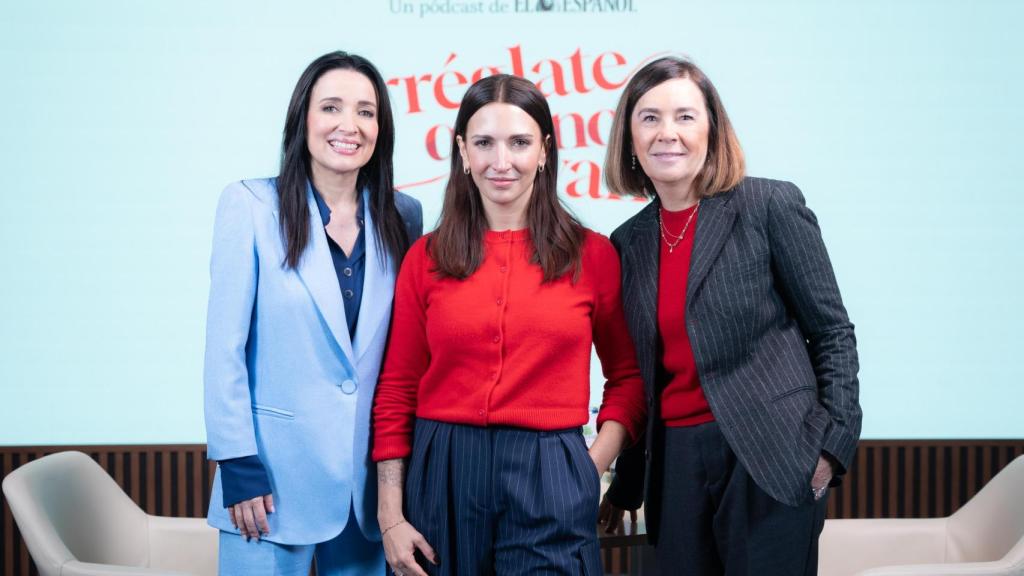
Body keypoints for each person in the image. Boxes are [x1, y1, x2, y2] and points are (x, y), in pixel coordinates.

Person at [371, 73, 646, 576]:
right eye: (484, 143)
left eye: (519, 142)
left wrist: (587, 467)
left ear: (544, 150)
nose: (502, 162)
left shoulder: (594, 256)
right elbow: (396, 388)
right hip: (443, 472)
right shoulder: (424, 258)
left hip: (551, 471)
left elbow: (628, 379)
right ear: (462, 151)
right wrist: (390, 513)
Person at [598, 56, 862, 575]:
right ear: (629, 139)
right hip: (676, 465)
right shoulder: (627, 243)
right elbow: (646, 376)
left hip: (772, 456)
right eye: (648, 118)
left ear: (712, 131)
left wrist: (831, 449)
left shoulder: (769, 205)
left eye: (685, 116)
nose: (666, 133)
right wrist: (627, 487)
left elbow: (832, 332)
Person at [203, 51, 422, 576]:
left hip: (365, 490)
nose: (350, 125)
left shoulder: (404, 216)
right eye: (332, 107)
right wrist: (236, 461)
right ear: (303, 118)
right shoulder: (250, 206)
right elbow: (224, 347)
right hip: (269, 484)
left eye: (366, 112)